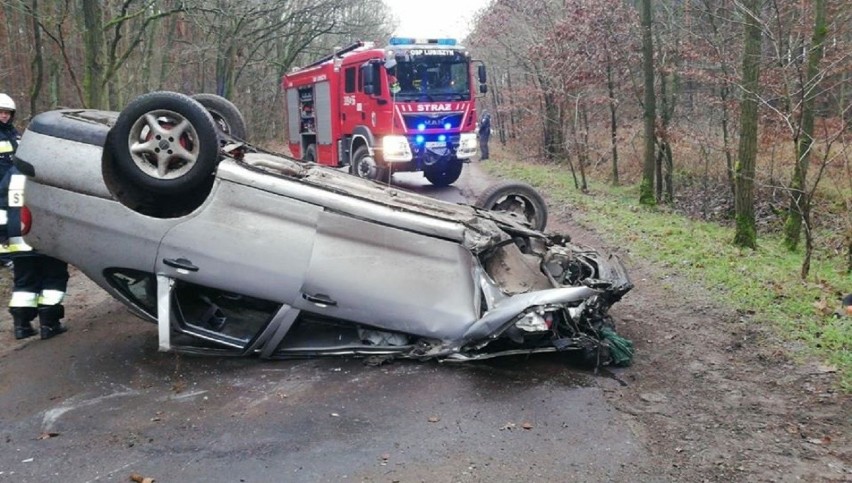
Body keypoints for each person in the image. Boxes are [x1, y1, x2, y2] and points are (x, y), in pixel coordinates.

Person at [0, 93, 70, 340]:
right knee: (53, 277)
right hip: (46, 236)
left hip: (18, 236)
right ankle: (49, 324)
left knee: (24, 282)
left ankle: (21, 326)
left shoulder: (13, 172)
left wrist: (4, 237)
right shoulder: (54, 172)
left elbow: (4, 204)